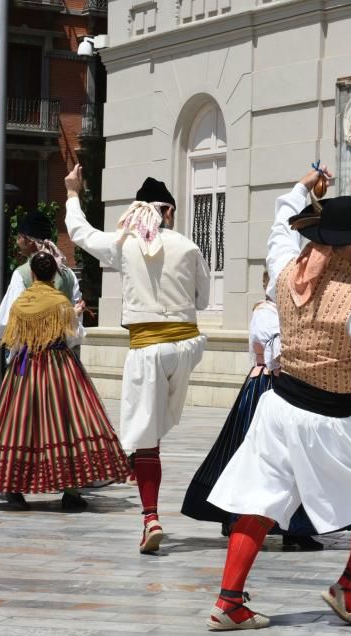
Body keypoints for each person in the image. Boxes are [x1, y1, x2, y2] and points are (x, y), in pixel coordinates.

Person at [203, 166, 351, 631]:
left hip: (277, 407)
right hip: (329, 417)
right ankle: (348, 587)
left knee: (258, 502)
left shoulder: (283, 274)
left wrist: (301, 188)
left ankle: (230, 601)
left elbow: (279, 230)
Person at [63, 164, 210, 553]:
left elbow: (81, 233)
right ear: (169, 212)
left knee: (146, 437)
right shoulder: (190, 247)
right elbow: (204, 300)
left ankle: (150, 517)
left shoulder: (125, 244)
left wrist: (73, 193)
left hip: (147, 349)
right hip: (187, 347)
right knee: (156, 425)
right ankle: (140, 458)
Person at [0, 252, 131, 510]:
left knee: (19, 424)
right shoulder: (61, 303)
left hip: (24, 370)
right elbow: (74, 337)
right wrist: (76, 313)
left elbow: (3, 330)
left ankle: (14, 490)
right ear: (54, 275)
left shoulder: (20, 302)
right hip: (60, 367)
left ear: (33, 274)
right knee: (67, 423)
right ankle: (70, 491)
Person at [182, 270, 323, 550]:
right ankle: (247, 519)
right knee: (259, 456)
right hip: (270, 386)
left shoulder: (285, 311)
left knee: (287, 458)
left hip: (283, 384)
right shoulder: (266, 312)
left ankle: (287, 525)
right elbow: (276, 354)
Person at [0, 210, 81, 361]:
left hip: (31, 358)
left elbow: (7, 323)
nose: (17, 242)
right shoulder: (69, 274)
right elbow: (76, 325)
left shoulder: (22, 274)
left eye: (19, 237)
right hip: (62, 359)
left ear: (29, 241)